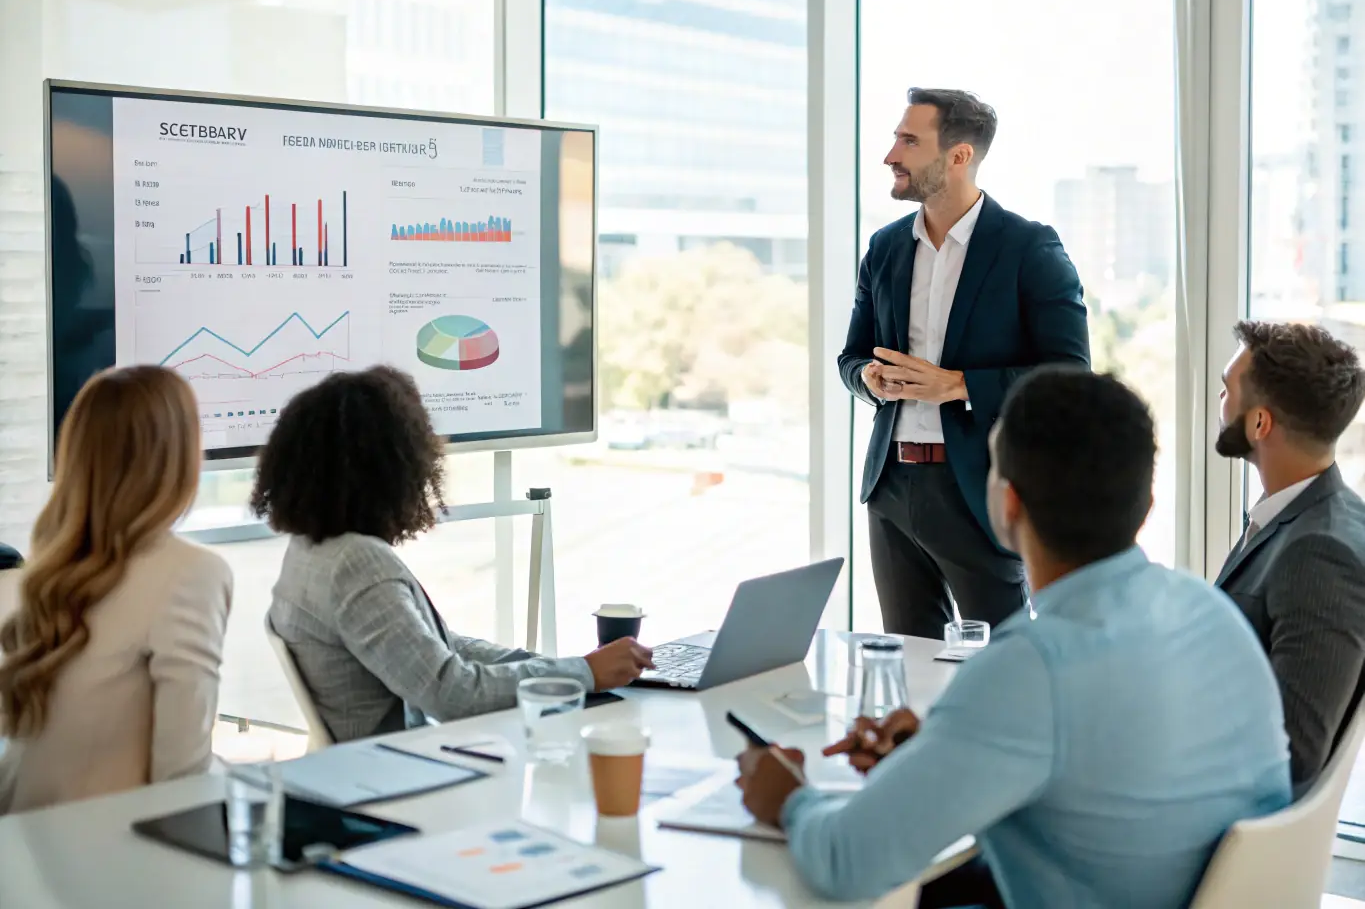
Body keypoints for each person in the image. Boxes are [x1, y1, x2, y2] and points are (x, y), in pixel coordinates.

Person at [736, 367, 1290, 907]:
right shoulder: (1208, 611)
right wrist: (944, 747)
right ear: (1145, 503)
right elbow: (1103, 760)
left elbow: (845, 862)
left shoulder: (1032, 666)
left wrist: (788, 798)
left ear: (1007, 503)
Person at [255, 366, 654, 743]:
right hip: (402, 768)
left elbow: (440, 648)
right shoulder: (356, 564)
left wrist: (571, 668)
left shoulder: (311, 549)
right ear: (390, 468)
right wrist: (582, 674)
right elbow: (452, 694)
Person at [839, 88, 1089, 640]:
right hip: (891, 488)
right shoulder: (884, 248)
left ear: (959, 156)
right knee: (909, 657)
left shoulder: (1029, 248)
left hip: (978, 488)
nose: (890, 155)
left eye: (909, 141)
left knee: (1003, 656)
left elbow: (1070, 377)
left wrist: (957, 386)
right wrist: (868, 378)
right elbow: (851, 357)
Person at [0, 366, 232, 814]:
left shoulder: (48, 569)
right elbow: (182, 774)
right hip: (113, 839)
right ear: (176, 458)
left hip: (23, 834)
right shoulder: (191, 573)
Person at [1214, 320, 1365, 790]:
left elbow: (1292, 755)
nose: (1220, 400)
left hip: (1224, 811)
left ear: (1260, 423)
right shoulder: (1307, 515)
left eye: (1226, 389)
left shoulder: (1321, 555)